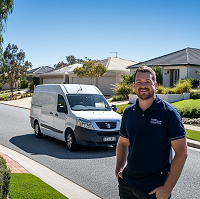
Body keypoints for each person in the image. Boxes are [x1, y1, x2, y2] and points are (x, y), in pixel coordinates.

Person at [115, 65, 188, 199]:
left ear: (154, 84)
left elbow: (182, 153)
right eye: (139, 82)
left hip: (154, 188)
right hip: (127, 185)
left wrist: (167, 189)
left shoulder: (169, 113)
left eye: (148, 81)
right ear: (134, 85)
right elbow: (123, 143)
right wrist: (119, 169)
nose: (143, 85)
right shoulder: (128, 112)